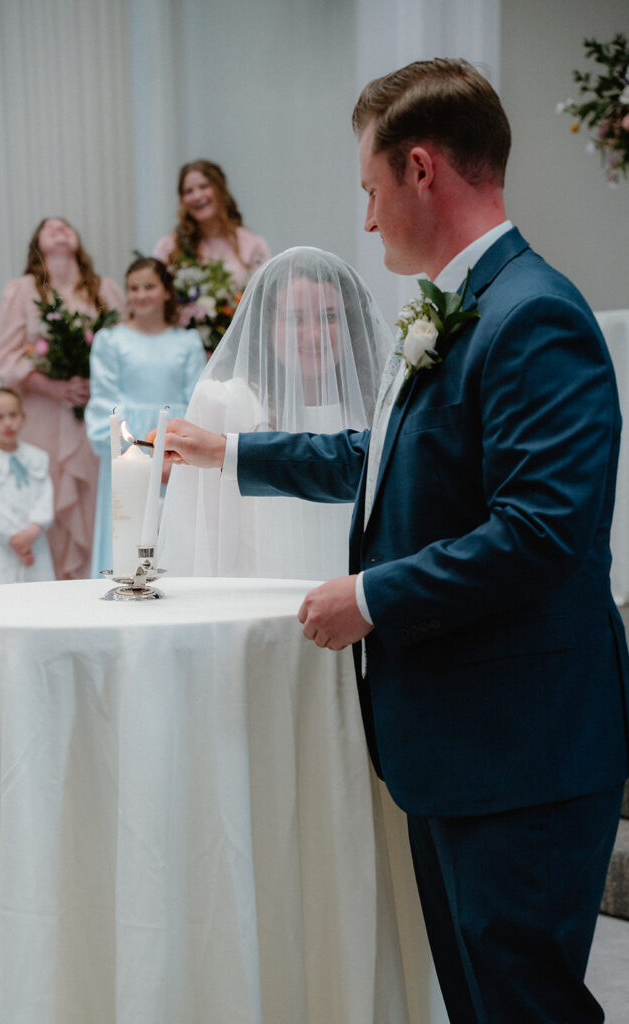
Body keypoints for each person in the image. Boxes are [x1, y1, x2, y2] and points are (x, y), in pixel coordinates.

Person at [158, 59, 629, 1023]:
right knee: (479, 997)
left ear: (421, 170)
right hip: (461, 741)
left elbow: (541, 530)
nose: (365, 221)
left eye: (369, 191)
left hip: (523, 747)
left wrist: (367, 597)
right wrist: (232, 451)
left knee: (521, 1001)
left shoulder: (530, 314)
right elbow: (389, 459)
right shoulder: (465, 308)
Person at [157, 246, 390, 580]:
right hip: (255, 615)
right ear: (266, 326)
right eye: (295, 318)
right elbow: (195, 545)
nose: (314, 335)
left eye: (329, 317)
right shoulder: (223, 403)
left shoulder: (373, 406)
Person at [0, 217, 125, 580]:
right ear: (37, 243)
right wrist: (55, 388)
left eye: (65, 225)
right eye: (49, 227)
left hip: (93, 416)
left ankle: (94, 584)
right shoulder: (21, 290)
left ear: (78, 241)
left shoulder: (106, 290)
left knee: (94, 502)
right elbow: (5, 361)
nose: (59, 228)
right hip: (44, 417)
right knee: (48, 499)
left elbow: (122, 349)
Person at [85, 256, 206, 577]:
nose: (140, 295)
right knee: (129, 526)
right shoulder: (111, 340)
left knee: (175, 527)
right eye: (133, 288)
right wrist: (128, 456)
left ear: (167, 292)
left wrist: (173, 456)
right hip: (128, 444)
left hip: (174, 443)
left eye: (149, 286)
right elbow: (103, 400)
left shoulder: (186, 341)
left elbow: (196, 399)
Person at [0, 388, 55, 586]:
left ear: (23, 417)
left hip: (33, 539)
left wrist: (33, 529)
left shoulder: (37, 457)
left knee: (36, 593)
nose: (8, 423)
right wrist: (15, 539)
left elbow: (45, 495)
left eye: (13, 415)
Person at [153, 159, 270, 291]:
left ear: (220, 189)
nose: (197, 196)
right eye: (188, 191)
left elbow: (265, 297)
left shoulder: (252, 245)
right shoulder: (169, 246)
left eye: (204, 186)